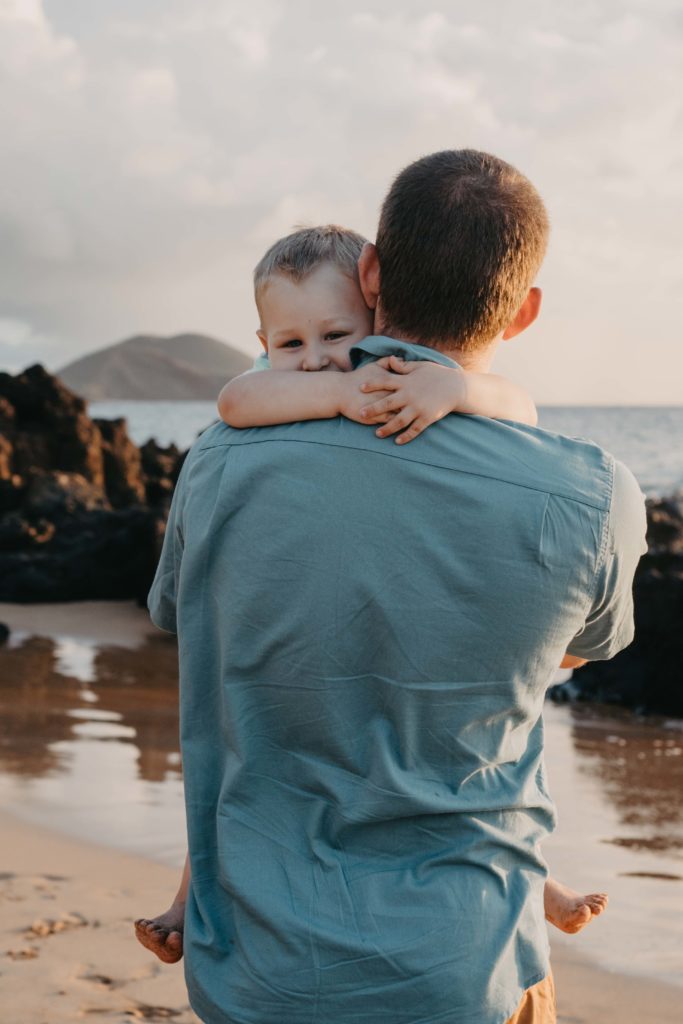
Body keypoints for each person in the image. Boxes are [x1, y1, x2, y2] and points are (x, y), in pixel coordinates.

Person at [144, 150, 647, 1024]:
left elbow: (195, 628)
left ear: (371, 274)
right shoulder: (594, 495)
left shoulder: (220, 462)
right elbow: (570, 655)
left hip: (259, 970)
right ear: (524, 311)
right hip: (468, 965)